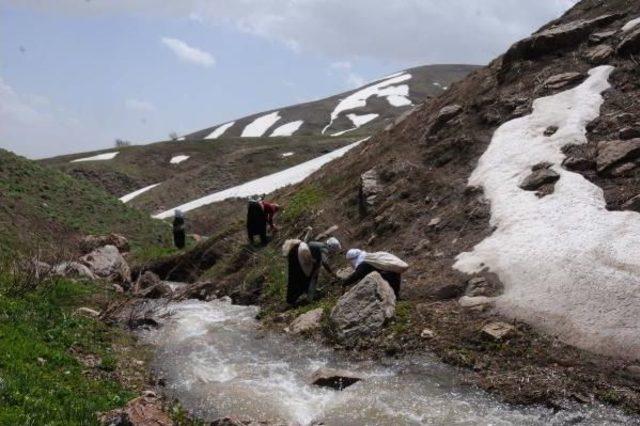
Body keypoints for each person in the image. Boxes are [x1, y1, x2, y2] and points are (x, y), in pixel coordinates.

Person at [285, 236, 341, 305]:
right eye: (334, 251)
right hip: (298, 259)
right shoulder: (323, 249)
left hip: (296, 255)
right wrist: (333, 274)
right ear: (331, 248)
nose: (334, 253)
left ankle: (300, 295)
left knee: (296, 278)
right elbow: (324, 263)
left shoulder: (320, 244)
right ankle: (298, 299)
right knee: (300, 279)